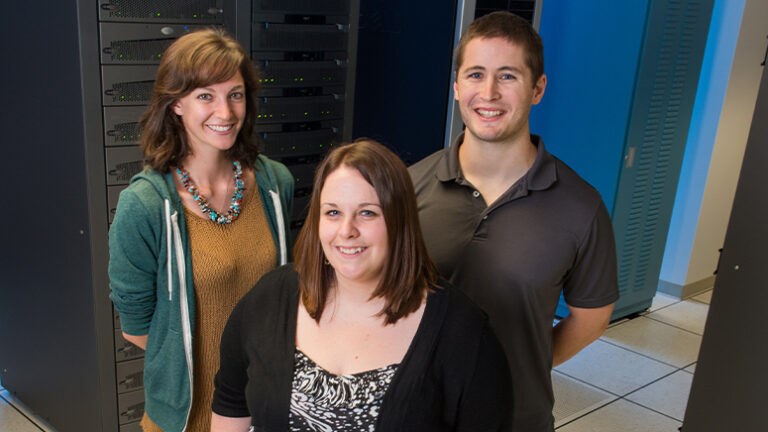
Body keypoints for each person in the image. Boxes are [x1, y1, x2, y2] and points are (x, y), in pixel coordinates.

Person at [409, 11, 619, 432]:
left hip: (515, 417)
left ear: (537, 88)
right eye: (474, 75)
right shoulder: (409, 187)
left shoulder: (581, 206)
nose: (488, 93)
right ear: (455, 86)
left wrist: (512, 364)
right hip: (413, 411)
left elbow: (591, 319)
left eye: (507, 76)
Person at [210, 140, 512, 432]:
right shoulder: (270, 298)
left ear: (399, 221)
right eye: (333, 212)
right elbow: (231, 402)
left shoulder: (464, 333)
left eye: (367, 212)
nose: (346, 231)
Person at [108, 28, 294, 432]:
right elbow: (138, 330)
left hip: (265, 405)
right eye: (205, 96)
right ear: (176, 103)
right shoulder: (144, 206)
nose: (225, 113)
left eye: (236, 94)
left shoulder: (275, 184)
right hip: (188, 416)